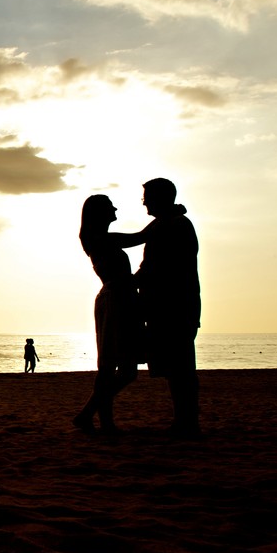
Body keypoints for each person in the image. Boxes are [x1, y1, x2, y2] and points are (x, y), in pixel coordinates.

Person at [111, 178, 202, 438]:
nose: (144, 202)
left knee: (182, 369)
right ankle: (184, 421)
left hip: (175, 308)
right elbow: (140, 245)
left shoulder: (174, 226)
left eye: (147, 196)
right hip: (166, 307)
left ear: (161, 198)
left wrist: (98, 238)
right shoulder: (165, 224)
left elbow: (151, 262)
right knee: (177, 368)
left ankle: (188, 423)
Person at [73, 195, 142, 434]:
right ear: (100, 213)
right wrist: (170, 217)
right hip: (116, 300)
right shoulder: (102, 240)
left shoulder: (100, 240)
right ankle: (99, 419)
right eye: (110, 206)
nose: (115, 208)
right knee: (114, 367)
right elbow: (140, 237)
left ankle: (92, 415)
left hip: (120, 298)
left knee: (123, 369)